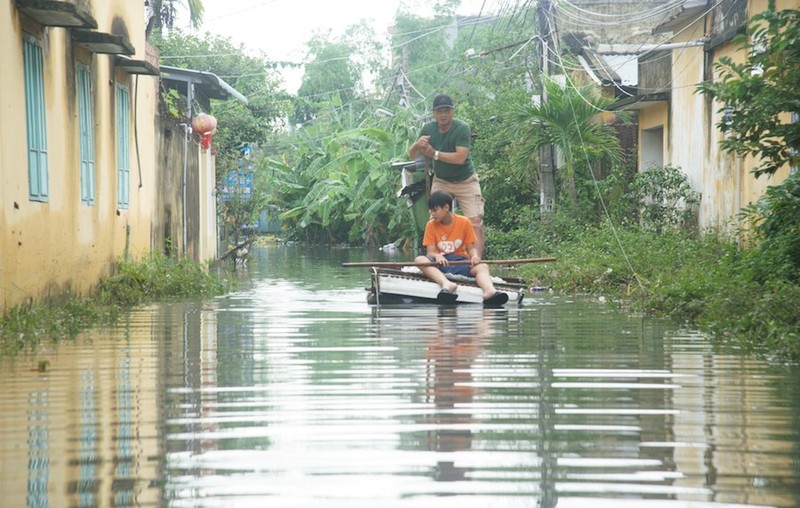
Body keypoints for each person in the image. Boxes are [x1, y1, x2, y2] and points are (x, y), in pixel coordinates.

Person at [409, 93, 485, 257]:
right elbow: (412, 155)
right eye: (439, 111)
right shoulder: (428, 129)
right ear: (434, 113)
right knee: (435, 218)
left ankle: (475, 261)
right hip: (442, 181)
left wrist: (434, 153)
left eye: (446, 111)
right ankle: (434, 258)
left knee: (475, 221)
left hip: (466, 180)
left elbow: (460, 158)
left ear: (452, 111)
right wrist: (417, 144)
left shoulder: (462, 128)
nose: (443, 115)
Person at [415, 191, 508, 307]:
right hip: (440, 263)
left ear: (446, 208)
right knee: (420, 260)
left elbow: (471, 248)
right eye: (431, 210)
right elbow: (431, 252)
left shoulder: (464, 222)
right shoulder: (431, 225)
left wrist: (474, 256)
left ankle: (490, 291)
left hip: (460, 261)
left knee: (482, 266)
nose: (432, 213)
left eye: (435, 210)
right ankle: (446, 284)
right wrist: (437, 256)